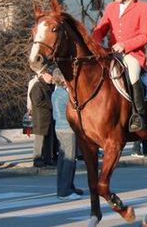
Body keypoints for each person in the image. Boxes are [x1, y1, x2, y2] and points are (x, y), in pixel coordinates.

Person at [92, 0, 147, 132]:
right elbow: (101, 28)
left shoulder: (142, 7)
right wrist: (95, 41)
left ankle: (138, 115)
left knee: (132, 73)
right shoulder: (111, 8)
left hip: (132, 54)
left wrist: (125, 45)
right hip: (112, 53)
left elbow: (146, 35)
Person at [51, 69, 83, 200]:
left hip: (59, 128)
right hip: (68, 129)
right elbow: (75, 109)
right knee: (69, 160)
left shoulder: (56, 92)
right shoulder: (64, 94)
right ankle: (65, 191)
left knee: (63, 159)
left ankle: (68, 186)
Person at [30, 71, 57, 167]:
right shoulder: (37, 86)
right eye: (51, 76)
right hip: (40, 118)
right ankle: (37, 160)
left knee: (49, 140)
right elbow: (37, 101)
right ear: (44, 75)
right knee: (40, 140)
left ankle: (48, 159)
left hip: (49, 118)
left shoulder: (49, 86)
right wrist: (51, 104)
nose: (52, 78)